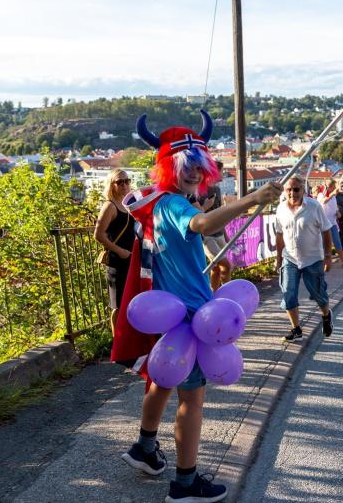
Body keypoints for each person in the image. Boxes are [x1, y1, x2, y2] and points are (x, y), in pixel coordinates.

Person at [118, 113, 281, 503]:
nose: (193, 174)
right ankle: (185, 482)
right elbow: (203, 225)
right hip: (190, 316)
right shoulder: (174, 205)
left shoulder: (159, 204)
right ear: (168, 168)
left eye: (198, 167)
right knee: (192, 400)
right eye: (185, 167)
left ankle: (144, 448)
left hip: (172, 309)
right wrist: (252, 199)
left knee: (163, 380)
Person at [276, 175, 335, 342]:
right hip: (290, 259)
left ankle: (325, 315)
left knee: (319, 295)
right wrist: (278, 259)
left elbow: (326, 230)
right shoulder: (280, 208)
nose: (292, 193)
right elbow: (279, 235)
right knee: (288, 294)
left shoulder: (314, 206)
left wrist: (328, 256)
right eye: (289, 189)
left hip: (313, 259)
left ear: (303, 190)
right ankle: (296, 329)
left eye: (296, 189)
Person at [94, 169, 135, 330]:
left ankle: (128, 341)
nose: (124, 184)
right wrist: (120, 251)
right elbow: (98, 235)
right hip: (117, 262)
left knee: (131, 300)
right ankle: (116, 344)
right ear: (112, 185)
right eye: (120, 182)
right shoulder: (110, 206)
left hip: (131, 259)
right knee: (117, 304)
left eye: (127, 181)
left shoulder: (128, 204)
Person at [198, 161, 233, 291]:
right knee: (226, 265)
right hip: (207, 236)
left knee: (216, 268)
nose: (223, 173)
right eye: (221, 171)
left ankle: (213, 295)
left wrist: (225, 234)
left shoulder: (217, 189)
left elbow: (218, 215)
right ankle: (227, 295)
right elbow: (195, 214)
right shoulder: (200, 191)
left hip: (219, 234)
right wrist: (205, 206)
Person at [317, 179, 343, 269]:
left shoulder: (334, 197)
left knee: (337, 242)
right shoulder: (321, 195)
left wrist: (338, 212)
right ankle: (323, 264)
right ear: (329, 187)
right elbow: (323, 201)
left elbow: (334, 207)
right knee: (324, 244)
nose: (335, 188)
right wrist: (332, 194)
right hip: (323, 224)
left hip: (333, 223)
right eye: (333, 186)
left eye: (334, 186)